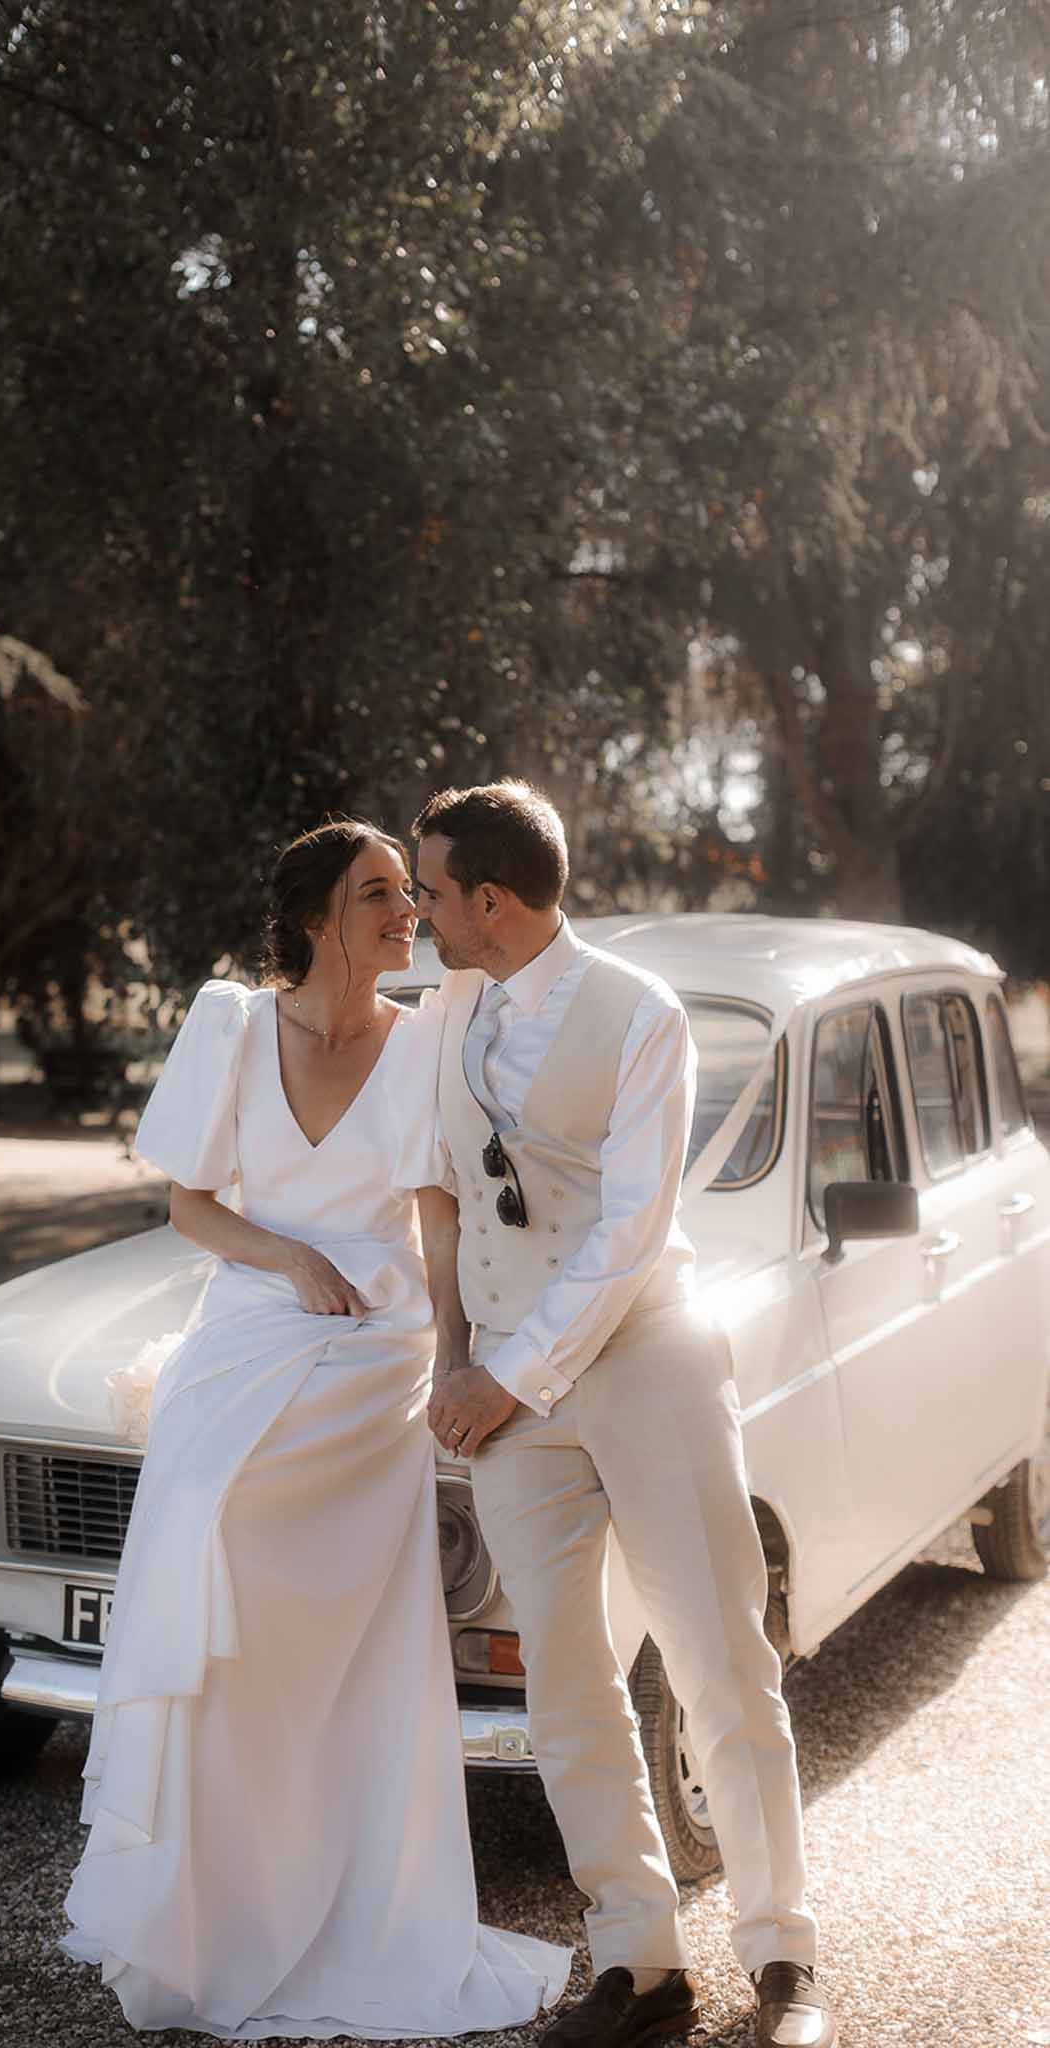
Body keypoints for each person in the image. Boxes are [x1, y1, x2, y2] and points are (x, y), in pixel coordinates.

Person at [61, 818, 570, 2039]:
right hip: (253, 1314)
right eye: (379, 893)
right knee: (206, 1532)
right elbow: (189, 1204)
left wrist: (454, 1351)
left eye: (410, 890)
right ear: (310, 916)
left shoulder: (433, 1027)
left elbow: (438, 1218)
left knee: (345, 1650)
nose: (408, 911)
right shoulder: (230, 1022)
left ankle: (356, 1906)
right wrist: (285, 1254)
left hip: (380, 1346)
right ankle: (211, 1904)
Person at [414, 782, 838, 2048]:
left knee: (718, 1653)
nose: (423, 911)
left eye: (431, 890)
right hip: (500, 1394)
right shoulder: (445, 1009)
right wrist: (453, 1356)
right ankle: (638, 1962)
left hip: (644, 1360)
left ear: (489, 899)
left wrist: (510, 1371)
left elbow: (628, 1231)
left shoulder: (640, 1016)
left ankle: (782, 1957)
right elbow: (437, 1189)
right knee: (565, 1678)